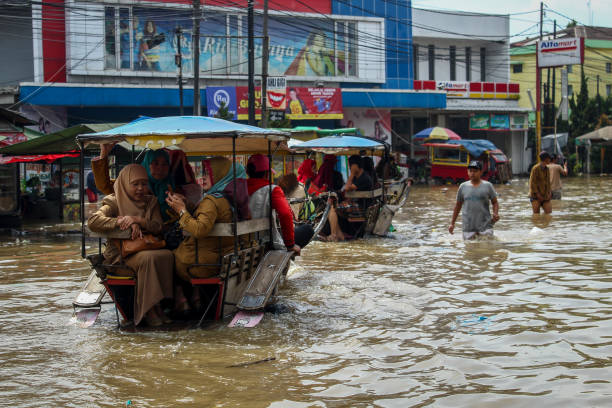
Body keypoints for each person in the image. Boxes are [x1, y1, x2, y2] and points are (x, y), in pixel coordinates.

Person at [88, 164, 174, 327]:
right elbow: (93, 221)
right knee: (149, 258)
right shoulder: (113, 201)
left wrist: (139, 220)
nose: (141, 188)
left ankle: (158, 306)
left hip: (144, 248)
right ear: (125, 184)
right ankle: (148, 310)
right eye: (135, 184)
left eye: (144, 183)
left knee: (167, 255)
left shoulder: (151, 201)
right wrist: (122, 221)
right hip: (120, 258)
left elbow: (158, 227)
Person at [166, 157, 249, 310]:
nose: (203, 177)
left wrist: (181, 210)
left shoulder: (211, 200)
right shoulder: (229, 198)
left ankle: (180, 298)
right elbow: (206, 215)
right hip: (223, 257)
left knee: (166, 256)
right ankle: (195, 296)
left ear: (220, 175)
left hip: (201, 264)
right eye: (203, 173)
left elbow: (200, 229)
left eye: (208, 173)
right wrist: (187, 204)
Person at [92, 145, 201, 222]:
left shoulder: (174, 188)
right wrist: (104, 154)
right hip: (140, 238)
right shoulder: (132, 184)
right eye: (155, 163)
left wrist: (184, 203)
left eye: (165, 164)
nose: (160, 168)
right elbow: (104, 186)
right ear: (147, 164)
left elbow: (191, 212)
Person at [246, 154, 313, 253]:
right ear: (267, 174)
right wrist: (290, 245)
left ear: (248, 172)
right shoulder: (273, 190)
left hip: (243, 240)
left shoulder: (237, 188)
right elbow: (285, 214)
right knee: (308, 229)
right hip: (265, 242)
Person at [449, 160, 500, 240]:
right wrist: (452, 224)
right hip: (468, 228)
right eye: (470, 171)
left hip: (486, 228)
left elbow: (495, 202)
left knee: (487, 250)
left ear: (481, 172)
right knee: (469, 251)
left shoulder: (488, 186)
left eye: (475, 171)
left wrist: (495, 213)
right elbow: (458, 206)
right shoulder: (463, 187)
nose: (472, 173)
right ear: (467, 172)